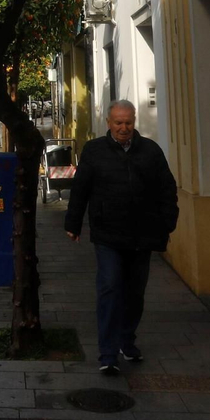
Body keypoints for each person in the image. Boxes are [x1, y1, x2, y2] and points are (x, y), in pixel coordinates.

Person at [64, 99, 179, 375]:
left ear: (134, 121)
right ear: (108, 123)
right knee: (110, 287)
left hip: (142, 234)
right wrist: (74, 223)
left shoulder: (150, 151)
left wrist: (167, 223)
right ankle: (107, 352)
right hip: (107, 234)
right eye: (118, 123)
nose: (123, 128)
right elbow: (81, 188)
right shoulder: (94, 151)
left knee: (135, 292)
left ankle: (127, 340)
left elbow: (167, 188)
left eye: (128, 122)